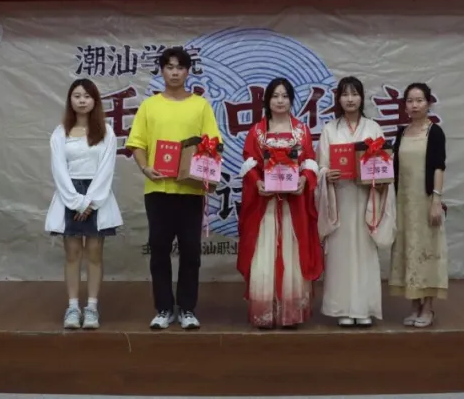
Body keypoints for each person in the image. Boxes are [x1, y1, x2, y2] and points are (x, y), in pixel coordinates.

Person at [126, 46, 221, 331]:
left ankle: (187, 308)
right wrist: (145, 168)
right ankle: (164, 308)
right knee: (159, 250)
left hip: (190, 191)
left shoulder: (200, 106)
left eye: (180, 67)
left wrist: (199, 169)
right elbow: (137, 143)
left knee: (191, 251)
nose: (175, 72)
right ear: (162, 70)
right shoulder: (149, 106)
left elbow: (213, 143)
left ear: (188, 71)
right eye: (169, 67)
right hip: (158, 189)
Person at [236, 77, 323, 329]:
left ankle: (290, 312)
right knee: (264, 251)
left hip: (293, 206)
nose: (280, 101)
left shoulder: (301, 130)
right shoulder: (257, 131)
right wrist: (257, 183)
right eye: (275, 96)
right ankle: (265, 310)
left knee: (292, 252)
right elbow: (250, 162)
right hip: (265, 206)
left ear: (291, 100)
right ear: (267, 101)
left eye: (285, 96)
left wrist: (304, 180)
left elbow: (309, 161)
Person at [316, 76, 395, 327]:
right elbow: (320, 166)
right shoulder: (330, 129)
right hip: (340, 198)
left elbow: (385, 163)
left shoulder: (373, 128)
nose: (350, 99)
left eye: (355, 94)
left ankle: (364, 308)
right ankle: (342, 308)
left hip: (366, 198)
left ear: (362, 97)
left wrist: (379, 178)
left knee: (365, 253)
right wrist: (326, 174)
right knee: (340, 255)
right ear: (338, 99)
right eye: (345, 94)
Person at [45, 78, 122, 330]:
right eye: (77, 96)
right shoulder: (60, 132)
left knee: (95, 254)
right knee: (73, 254)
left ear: (95, 100)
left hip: (98, 196)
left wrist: (91, 202)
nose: (82, 100)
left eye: (87, 96)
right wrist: (76, 201)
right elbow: (59, 170)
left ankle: (91, 307)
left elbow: (107, 169)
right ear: (70, 100)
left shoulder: (106, 132)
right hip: (69, 195)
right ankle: (72, 307)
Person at [388, 82, 448, 328]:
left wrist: (436, 199)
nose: (414, 105)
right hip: (403, 202)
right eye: (410, 101)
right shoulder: (401, 133)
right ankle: (414, 304)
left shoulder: (434, 132)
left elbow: (438, 167)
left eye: (419, 100)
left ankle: (428, 307)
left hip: (424, 201)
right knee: (407, 250)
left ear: (428, 103)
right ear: (405, 105)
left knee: (427, 251)